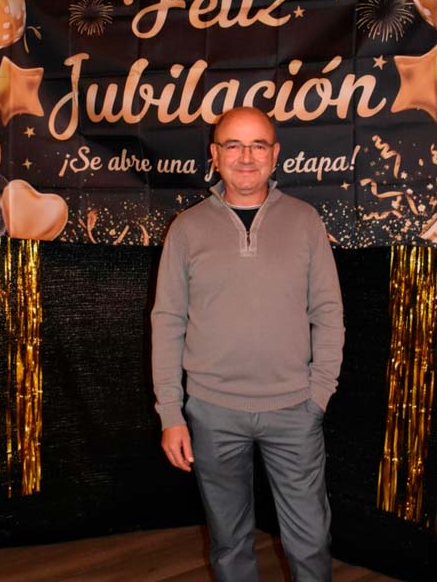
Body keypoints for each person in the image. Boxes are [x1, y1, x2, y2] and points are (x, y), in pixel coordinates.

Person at [151, 106, 345, 581]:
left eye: (258, 145)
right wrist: (171, 414)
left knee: (310, 542)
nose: (246, 157)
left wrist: (319, 394)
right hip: (212, 412)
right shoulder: (187, 228)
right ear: (215, 155)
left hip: (294, 410)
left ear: (275, 154)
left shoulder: (305, 221)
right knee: (229, 542)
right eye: (234, 145)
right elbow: (167, 321)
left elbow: (328, 313)